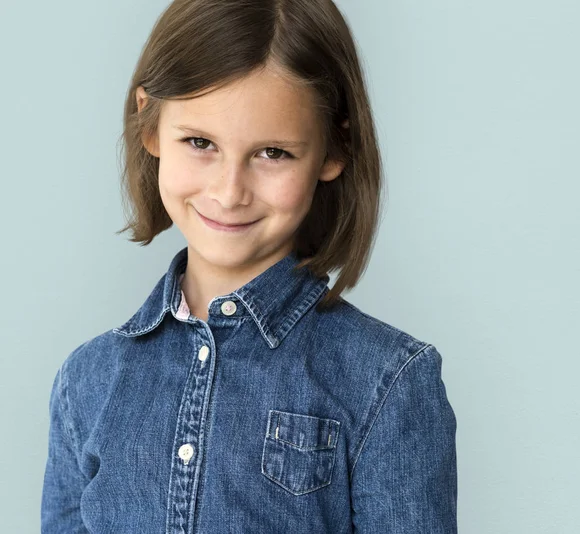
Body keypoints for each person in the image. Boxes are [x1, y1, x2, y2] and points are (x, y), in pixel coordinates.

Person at [41, 0, 457, 532]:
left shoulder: (389, 383)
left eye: (273, 153)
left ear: (335, 148)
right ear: (149, 125)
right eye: (200, 143)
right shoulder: (87, 382)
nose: (229, 191)